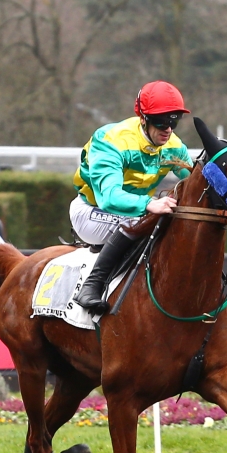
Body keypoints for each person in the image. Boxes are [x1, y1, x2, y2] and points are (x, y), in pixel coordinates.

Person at [71, 81, 193, 315]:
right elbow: (109, 198)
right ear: (143, 118)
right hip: (92, 211)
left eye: (174, 121)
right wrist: (149, 203)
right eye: (161, 122)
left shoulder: (173, 146)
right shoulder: (110, 140)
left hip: (135, 212)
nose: (168, 129)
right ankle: (91, 286)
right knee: (137, 223)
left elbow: (195, 179)